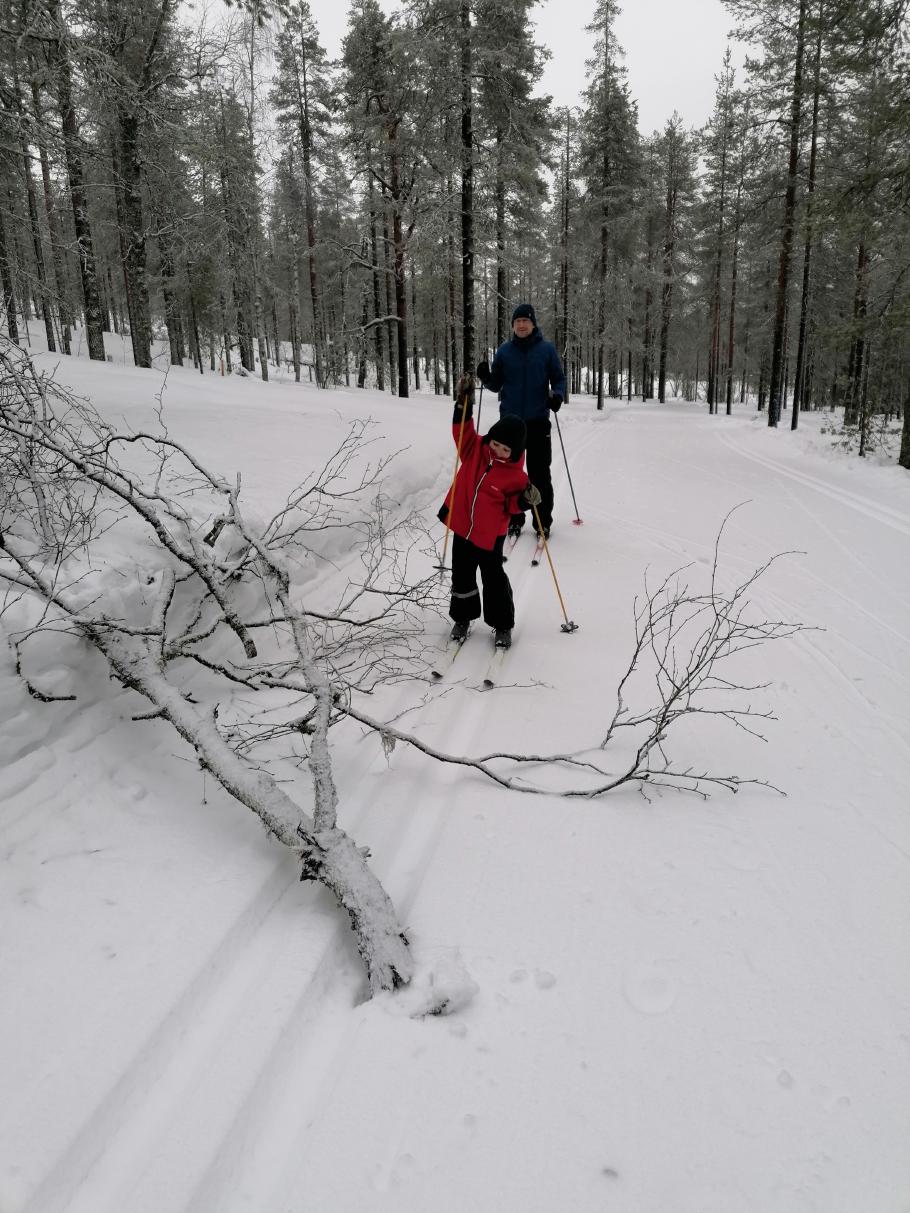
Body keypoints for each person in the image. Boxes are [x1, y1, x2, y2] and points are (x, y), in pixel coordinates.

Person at [438, 387, 541, 649]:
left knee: (492, 578)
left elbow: (513, 507)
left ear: (515, 452)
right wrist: (463, 406)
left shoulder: (517, 477)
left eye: (505, 449)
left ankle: (502, 623)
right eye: (495, 443)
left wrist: (525, 501)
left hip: (489, 536)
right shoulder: (475, 450)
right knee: (461, 575)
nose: (497, 450)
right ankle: (462, 617)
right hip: (462, 527)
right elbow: (460, 432)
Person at [476, 302, 565, 540]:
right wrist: (485, 376)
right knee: (510, 475)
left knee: (539, 475)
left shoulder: (546, 350)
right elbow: (495, 385)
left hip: (537, 421)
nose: (521, 325)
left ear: (533, 323)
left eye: (525, 321)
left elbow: (558, 378)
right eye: (517, 322)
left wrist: (558, 396)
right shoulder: (504, 351)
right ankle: (514, 519)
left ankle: (542, 522)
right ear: (513, 326)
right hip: (510, 425)